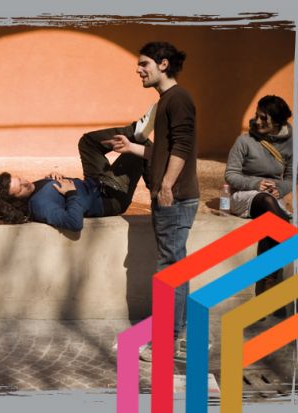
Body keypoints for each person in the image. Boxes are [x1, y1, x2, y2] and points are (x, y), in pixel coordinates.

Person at [105, 42, 199, 361]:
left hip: (175, 196)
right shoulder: (167, 101)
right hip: (171, 195)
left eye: (144, 64)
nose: (138, 70)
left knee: (169, 269)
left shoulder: (178, 99)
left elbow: (183, 147)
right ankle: (177, 335)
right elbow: (162, 150)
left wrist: (167, 185)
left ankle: (166, 341)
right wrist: (130, 148)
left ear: (163, 63)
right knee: (174, 266)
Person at [0, 120, 154, 232]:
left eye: (19, 179)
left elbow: (56, 192)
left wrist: (59, 179)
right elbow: (74, 223)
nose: (25, 183)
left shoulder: (34, 190)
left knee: (87, 143)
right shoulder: (41, 206)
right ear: (18, 201)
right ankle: (159, 191)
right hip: (109, 196)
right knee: (139, 147)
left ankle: (134, 130)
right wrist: (71, 192)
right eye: (20, 188)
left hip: (95, 183)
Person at [224, 95, 292, 301]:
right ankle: (289, 240)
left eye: (265, 118)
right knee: (267, 203)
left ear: (278, 123)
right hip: (245, 195)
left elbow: (291, 177)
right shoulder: (244, 140)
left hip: (272, 198)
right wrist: (255, 184)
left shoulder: (288, 145)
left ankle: (265, 285)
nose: (258, 121)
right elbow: (231, 174)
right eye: (257, 116)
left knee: (269, 223)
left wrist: (279, 188)